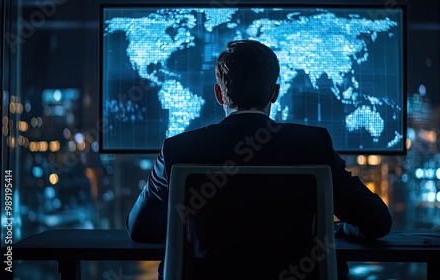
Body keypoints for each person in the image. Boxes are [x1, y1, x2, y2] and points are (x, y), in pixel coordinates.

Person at [126, 39, 392, 279]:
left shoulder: (178, 150)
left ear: (219, 94)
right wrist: (342, 228)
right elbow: (377, 222)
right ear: (274, 93)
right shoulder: (312, 146)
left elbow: (140, 228)